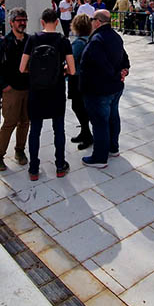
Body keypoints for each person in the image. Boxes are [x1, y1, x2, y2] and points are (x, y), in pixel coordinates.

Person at [20, 9, 76, 180]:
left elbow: (22, 68)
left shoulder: (32, 39)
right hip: (56, 90)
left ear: (42, 22)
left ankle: (33, 169)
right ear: (57, 22)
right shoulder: (63, 41)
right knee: (58, 129)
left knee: (35, 130)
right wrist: (62, 70)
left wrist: (35, 72)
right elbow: (72, 70)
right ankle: (60, 165)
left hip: (36, 91)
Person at [80, 10, 130, 169]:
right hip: (114, 88)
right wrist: (124, 71)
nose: (91, 22)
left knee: (100, 123)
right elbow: (124, 58)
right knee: (113, 117)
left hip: (99, 89)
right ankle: (113, 148)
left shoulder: (97, 40)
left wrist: (118, 74)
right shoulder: (115, 36)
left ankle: (100, 157)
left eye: (92, 19)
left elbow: (103, 65)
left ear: (98, 22)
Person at [0, 8, 31, 172]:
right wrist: (4, 86)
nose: (22, 23)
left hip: (28, 89)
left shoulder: (30, 41)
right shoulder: (3, 43)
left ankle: (20, 151)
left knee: (25, 123)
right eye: (19, 20)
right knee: (9, 123)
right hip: (11, 90)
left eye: (24, 20)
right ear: (11, 22)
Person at [68, 14, 94, 150]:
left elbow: (71, 60)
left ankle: (87, 134)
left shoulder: (78, 43)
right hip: (86, 77)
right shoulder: (90, 39)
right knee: (81, 106)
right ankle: (84, 132)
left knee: (78, 107)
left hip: (77, 77)